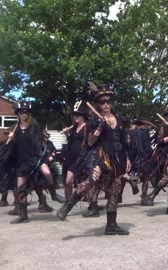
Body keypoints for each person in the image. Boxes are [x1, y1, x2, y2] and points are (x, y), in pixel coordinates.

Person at [57, 84, 130, 235]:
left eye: (108, 101)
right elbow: (90, 142)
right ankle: (67, 206)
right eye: (102, 102)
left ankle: (111, 225)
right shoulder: (94, 121)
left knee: (115, 190)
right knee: (91, 180)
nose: (105, 104)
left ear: (112, 103)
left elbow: (123, 141)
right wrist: (100, 128)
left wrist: (127, 159)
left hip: (117, 159)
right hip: (101, 156)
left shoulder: (119, 120)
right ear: (98, 104)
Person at [7, 101, 47, 224]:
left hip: (33, 161)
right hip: (21, 162)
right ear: (18, 114)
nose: (23, 114)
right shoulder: (15, 129)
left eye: (25, 112)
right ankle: (23, 215)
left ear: (29, 114)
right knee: (20, 188)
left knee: (41, 181)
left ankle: (52, 196)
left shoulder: (34, 127)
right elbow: (10, 146)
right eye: (21, 112)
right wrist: (11, 139)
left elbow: (40, 143)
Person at [62, 101, 89, 200]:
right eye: (75, 115)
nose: (75, 117)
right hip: (70, 156)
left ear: (83, 116)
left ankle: (87, 198)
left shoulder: (87, 127)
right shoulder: (73, 128)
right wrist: (66, 134)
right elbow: (71, 141)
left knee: (80, 181)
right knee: (67, 181)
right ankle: (68, 201)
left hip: (81, 157)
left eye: (78, 115)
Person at [127, 119, 154, 206]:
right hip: (146, 156)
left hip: (134, 157)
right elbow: (154, 127)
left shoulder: (130, 133)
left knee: (133, 173)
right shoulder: (146, 131)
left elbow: (128, 144)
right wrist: (146, 122)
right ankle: (144, 197)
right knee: (146, 177)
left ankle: (133, 181)